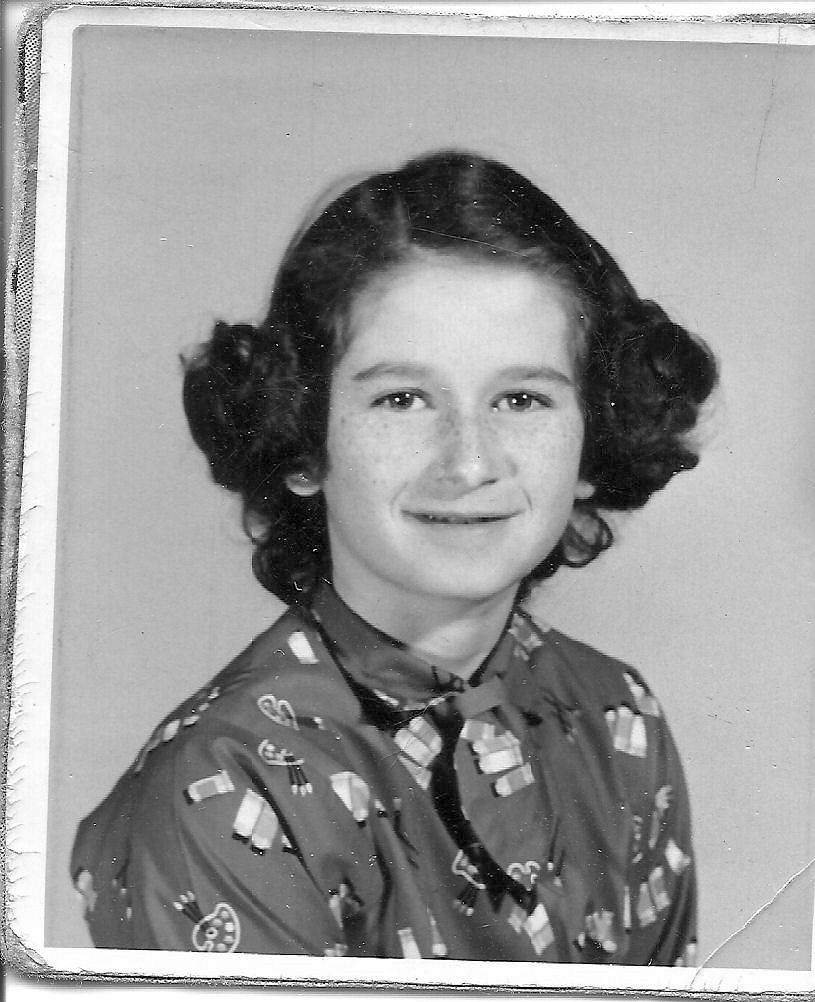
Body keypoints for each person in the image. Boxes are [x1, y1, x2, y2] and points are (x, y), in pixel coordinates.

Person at [71, 150, 717, 964]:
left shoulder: (618, 714)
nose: (470, 462)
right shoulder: (223, 784)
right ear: (303, 442)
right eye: (402, 399)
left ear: (593, 439)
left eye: (522, 398)